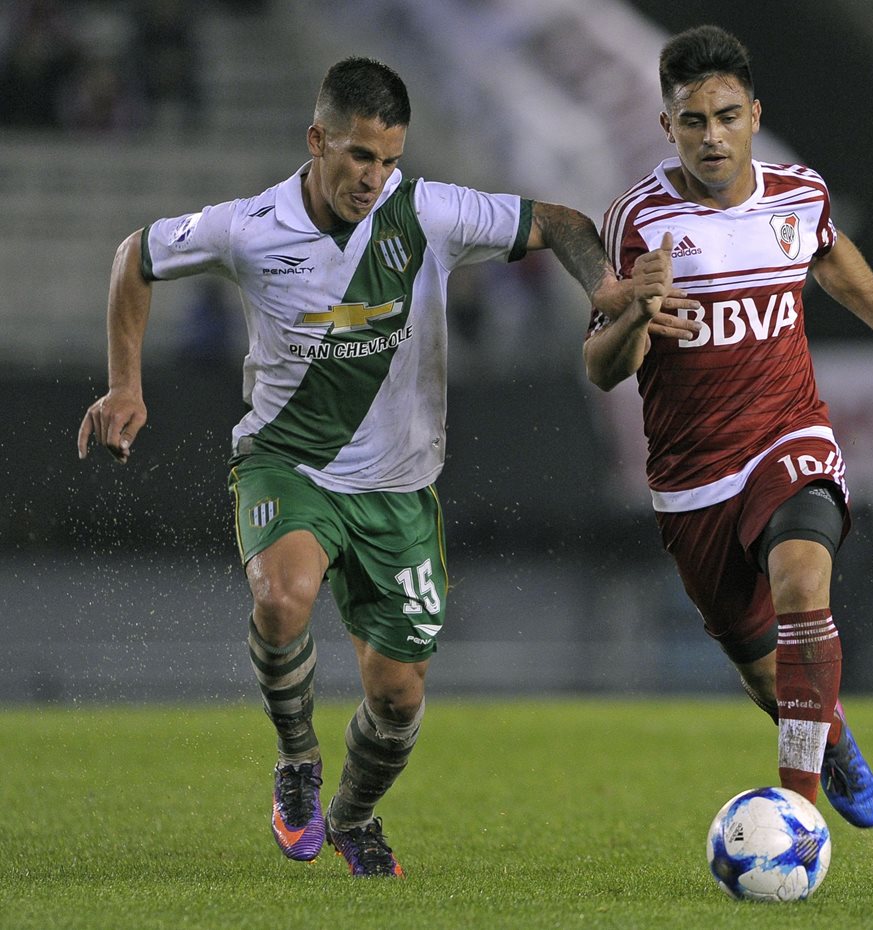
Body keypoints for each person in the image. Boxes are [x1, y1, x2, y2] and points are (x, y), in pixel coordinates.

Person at [76, 56, 690, 878]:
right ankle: (297, 762)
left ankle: (354, 818)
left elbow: (563, 221)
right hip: (286, 462)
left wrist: (605, 287)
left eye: (390, 158)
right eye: (360, 156)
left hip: (398, 489)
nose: (376, 177)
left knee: (398, 699)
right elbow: (134, 256)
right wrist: (124, 385)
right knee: (283, 596)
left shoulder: (428, 213)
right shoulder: (252, 226)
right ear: (317, 139)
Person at [584, 25, 873, 829]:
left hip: (788, 436)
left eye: (726, 116)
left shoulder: (798, 193)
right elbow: (601, 366)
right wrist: (637, 312)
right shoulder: (637, 221)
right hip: (691, 476)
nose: (712, 136)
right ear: (667, 126)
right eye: (692, 121)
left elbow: (829, 252)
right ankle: (834, 738)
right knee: (762, 672)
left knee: (803, 585)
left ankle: (797, 816)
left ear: (754, 114)